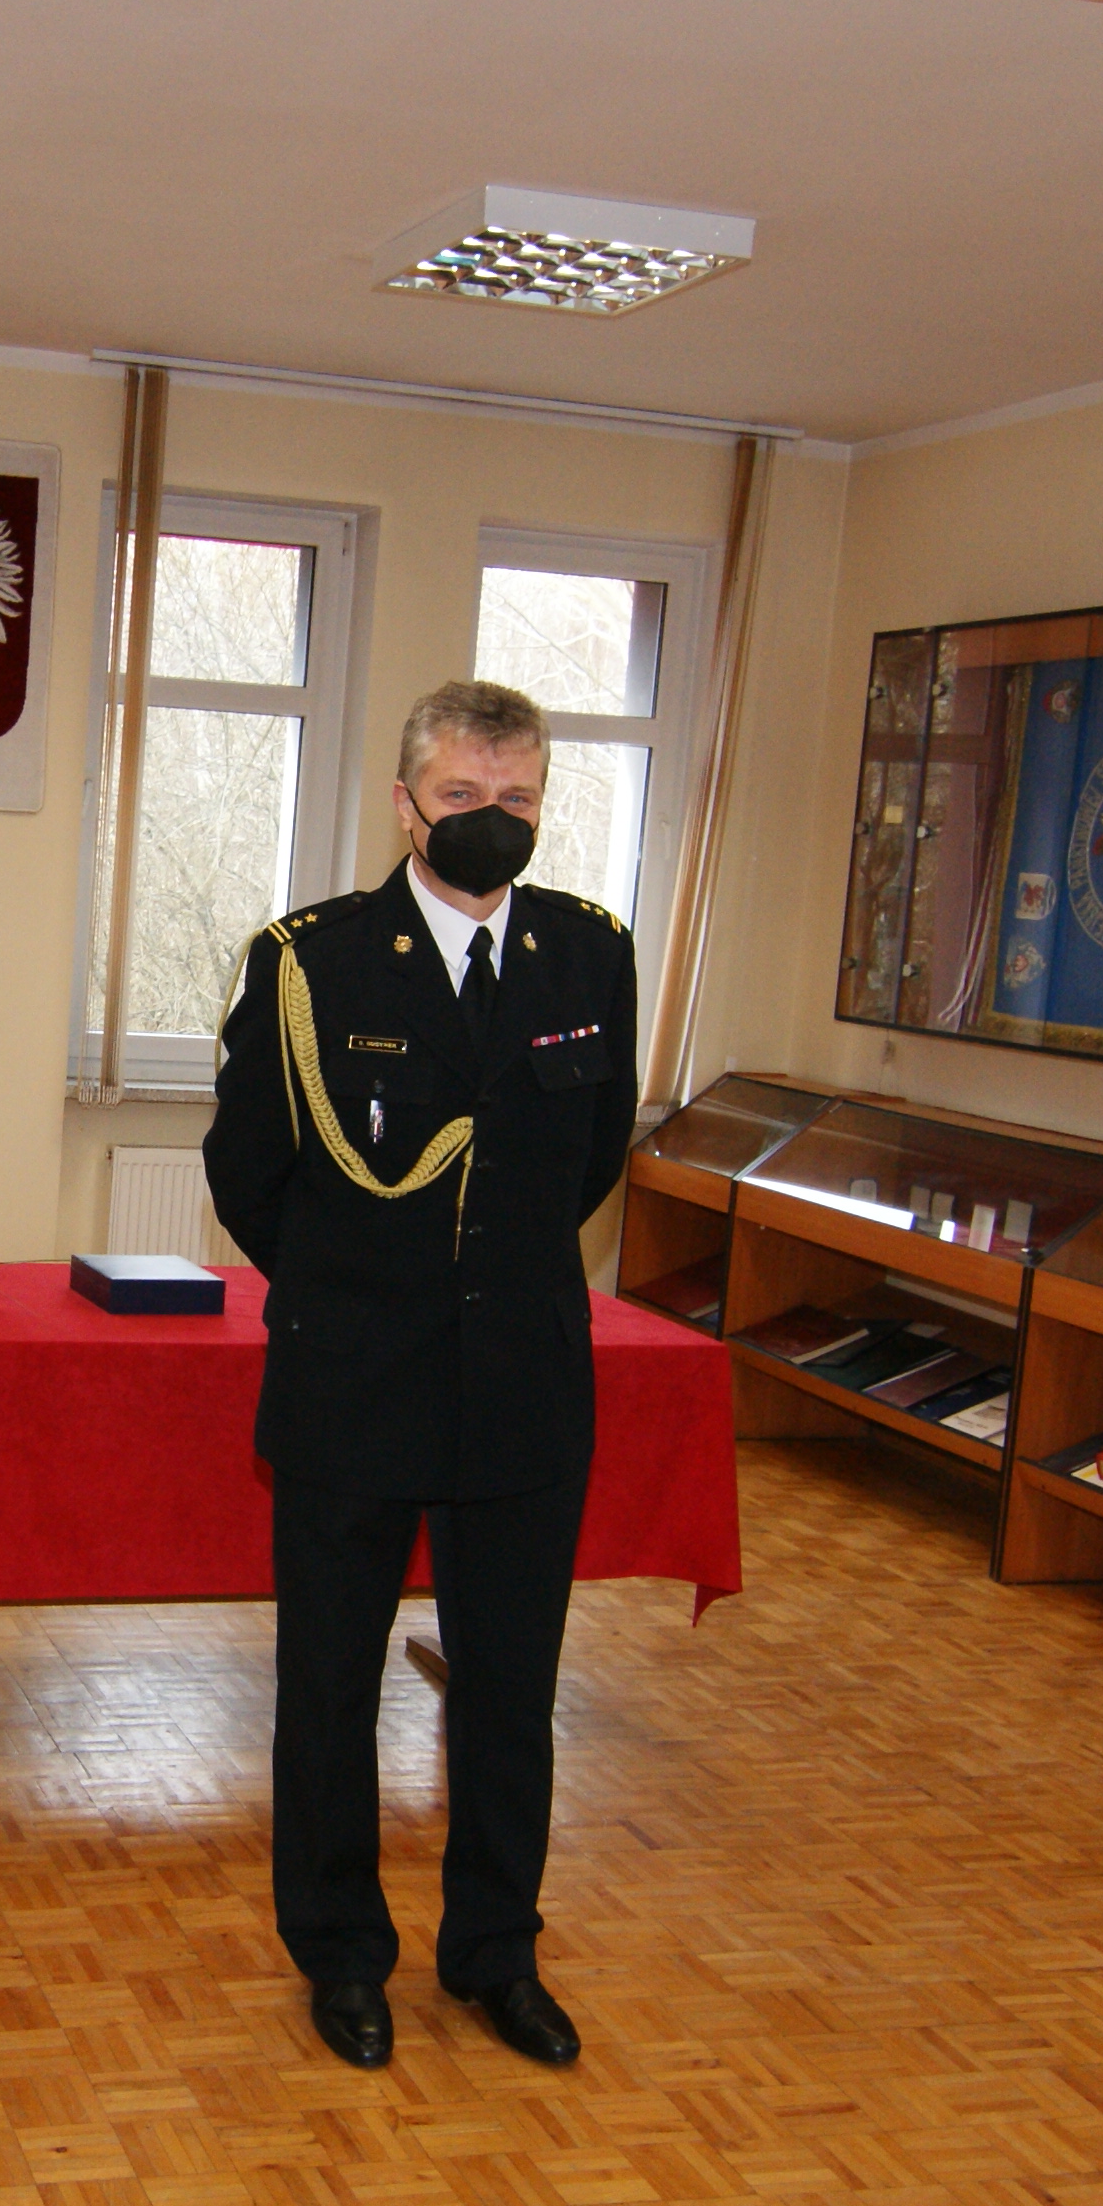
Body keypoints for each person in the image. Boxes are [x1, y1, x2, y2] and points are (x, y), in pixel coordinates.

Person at [206, 677, 638, 2071]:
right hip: (354, 1380)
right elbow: (248, 1172)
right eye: (462, 795)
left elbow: (592, 1156)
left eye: (515, 798)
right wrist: (357, 1291)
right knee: (332, 1687)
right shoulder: (311, 961)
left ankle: (495, 1953)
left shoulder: (589, 954)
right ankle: (341, 1953)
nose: (489, 819)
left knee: (510, 1688)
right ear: (406, 805)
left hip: (522, 1382)